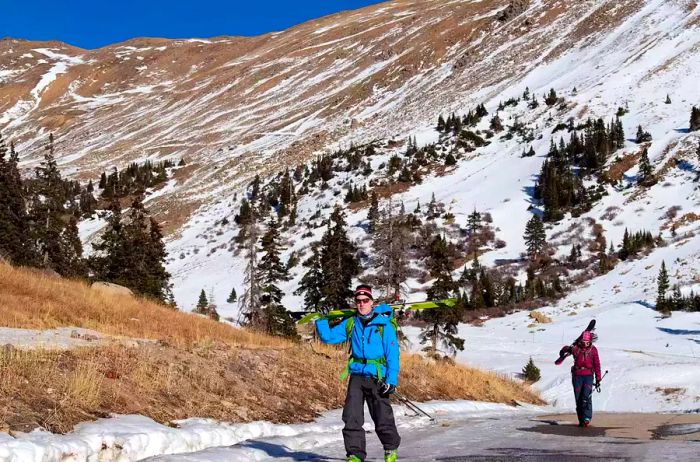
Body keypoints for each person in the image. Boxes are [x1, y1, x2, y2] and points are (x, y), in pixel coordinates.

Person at [316, 284, 401, 462]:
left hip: (377, 376)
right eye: (358, 301)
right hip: (356, 375)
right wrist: (322, 319)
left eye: (365, 300)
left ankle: (390, 447)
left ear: (372, 302)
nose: (362, 304)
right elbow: (329, 337)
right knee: (351, 416)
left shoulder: (383, 325)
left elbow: (393, 354)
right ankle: (355, 454)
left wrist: (391, 380)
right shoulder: (351, 323)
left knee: (381, 416)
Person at [559, 331, 602, 427]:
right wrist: (563, 351)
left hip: (588, 376)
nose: (585, 343)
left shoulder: (593, 350)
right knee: (578, 398)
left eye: (587, 341)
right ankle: (581, 419)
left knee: (586, 397)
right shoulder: (576, 348)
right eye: (583, 341)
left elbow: (597, 364)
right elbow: (566, 349)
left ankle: (587, 417)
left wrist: (598, 378)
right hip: (577, 376)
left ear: (590, 341)